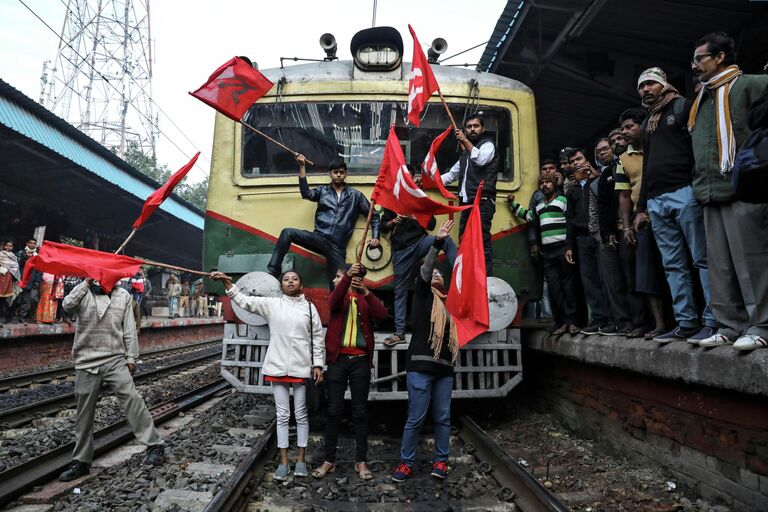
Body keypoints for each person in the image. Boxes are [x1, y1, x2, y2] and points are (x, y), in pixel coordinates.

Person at [687, 32, 768, 350]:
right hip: (709, 192)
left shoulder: (752, 84)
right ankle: (728, 325)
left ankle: (762, 325)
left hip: (743, 188)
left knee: (752, 261)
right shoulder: (702, 98)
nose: (694, 66)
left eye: (699, 59)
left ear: (719, 57)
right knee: (720, 265)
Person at [211, 269, 324, 480]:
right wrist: (228, 283)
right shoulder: (272, 305)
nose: (290, 282)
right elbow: (245, 301)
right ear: (281, 285)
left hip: (301, 368)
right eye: (286, 279)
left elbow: (317, 338)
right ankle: (283, 463)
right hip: (277, 367)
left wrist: (318, 364)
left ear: (301, 283)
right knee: (282, 416)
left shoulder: (309, 308)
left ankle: (300, 461)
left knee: (301, 415)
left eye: (295, 279)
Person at [633, 67, 716, 344]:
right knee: (673, 266)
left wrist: (698, 184)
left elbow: (701, 145)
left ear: (663, 85)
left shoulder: (681, 107)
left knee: (702, 259)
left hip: (684, 191)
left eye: (650, 85)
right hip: (656, 200)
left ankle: (713, 320)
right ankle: (686, 322)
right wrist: (642, 205)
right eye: (642, 86)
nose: (646, 90)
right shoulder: (648, 122)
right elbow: (647, 164)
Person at [58, 278, 164, 481]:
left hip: (115, 358)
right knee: (84, 413)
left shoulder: (123, 296)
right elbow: (67, 305)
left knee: (132, 399)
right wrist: (86, 283)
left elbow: (129, 330)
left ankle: (155, 445)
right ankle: (81, 461)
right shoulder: (83, 293)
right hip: (86, 361)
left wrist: (131, 357)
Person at [391, 220, 458, 482]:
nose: (437, 274)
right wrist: (438, 243)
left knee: (443, 418)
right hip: (420, 367)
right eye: (434, 274)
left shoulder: (451, 302)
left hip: (444, 369)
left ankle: (441, 462)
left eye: (442, 274)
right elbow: (426, 269)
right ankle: (406, 463)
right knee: (415, 419)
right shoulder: (422, 294)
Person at [313, 262, 388, 481]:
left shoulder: (364, 298)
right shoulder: (338, 297)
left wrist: (365, 290)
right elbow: (334, 302)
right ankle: (329, 461)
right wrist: (347, 279)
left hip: (360, 361)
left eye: (340, 277)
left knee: (360, 412)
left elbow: (382, 315)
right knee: (334, 411)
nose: (337, 280)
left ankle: (361, 462)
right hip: (338, 360)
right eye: (338, 277)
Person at [268, 154, 380, 288]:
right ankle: (273, 272)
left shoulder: (356, 196)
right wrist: (302, 166)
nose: (338, 175)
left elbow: (373, 215)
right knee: (287, 233)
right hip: (319, 238)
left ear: (345, 174)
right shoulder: (323, 191)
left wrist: (375, 237)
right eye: (335, 172)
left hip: (337, 246)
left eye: (341, 172)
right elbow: (306, 194)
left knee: (337, 286)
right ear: (330, 174)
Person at [508, 176, 579, 336]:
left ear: (554, 185)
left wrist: (569, 246)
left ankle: (572, 322)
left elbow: (569, 223)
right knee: (554, 289)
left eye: (547, 182)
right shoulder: (540, 206)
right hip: (548, 253)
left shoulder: (563, 200)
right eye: (541, 183)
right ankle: (560, 323)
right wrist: (512, 204)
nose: (544, 185)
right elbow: (527, 216)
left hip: (562, 249)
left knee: (568, 286)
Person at [618, 108, 667, 339]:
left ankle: (686, 321)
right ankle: (659, 324)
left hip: (666, 212)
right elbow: (624, 196)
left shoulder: (659, 145)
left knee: (675, 268)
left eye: (629, 127)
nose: (625, 132)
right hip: (642, 221)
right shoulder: (623, 160)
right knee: (647, 274)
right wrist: (627, 226)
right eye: (623, 128)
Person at [380, 208, 457, 346]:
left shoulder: (420, 198)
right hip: (401, 250)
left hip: (420, 243)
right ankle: (399, 333)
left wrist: (417, 216)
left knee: (446, 240)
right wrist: (394, 221)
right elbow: (383, 226)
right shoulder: (394, 199)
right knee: (400, 290)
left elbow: (431, 225)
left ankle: (460, 272)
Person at [565, 147, 614, 335]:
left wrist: (595, 177)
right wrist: (569, 244)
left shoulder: (601, 179)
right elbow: (570, 219)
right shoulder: (573, 190)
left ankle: (613, 320)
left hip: (601, 235)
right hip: (582, 239)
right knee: (590, 282)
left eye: (579, 159)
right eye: (572, 161)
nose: (576, 163)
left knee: (607, 279)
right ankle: (600, 319)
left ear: (587, 160)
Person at [441, 116, 498, 275]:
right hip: (467, 204)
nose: (472, 129)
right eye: (469, 126)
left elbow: (480, 159)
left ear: (483, 129)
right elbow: (450, 176)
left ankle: (485, 281)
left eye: (476, 126)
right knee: (465, 243)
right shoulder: (465, 155)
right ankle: (468, 280)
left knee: (481, 242)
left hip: (482, 203)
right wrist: (425, 182)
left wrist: (465, 141)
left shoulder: (488, 145)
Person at [0, 241, 20, 323]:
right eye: (7, 245)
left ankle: (6, 317)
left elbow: (16, 270)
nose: (8, 247)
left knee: (6, 299)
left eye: (10, 246)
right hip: (0, 278)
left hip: (9, 280)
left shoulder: (14, 257)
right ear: (4, 246)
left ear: (12, 248)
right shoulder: (0, 255)